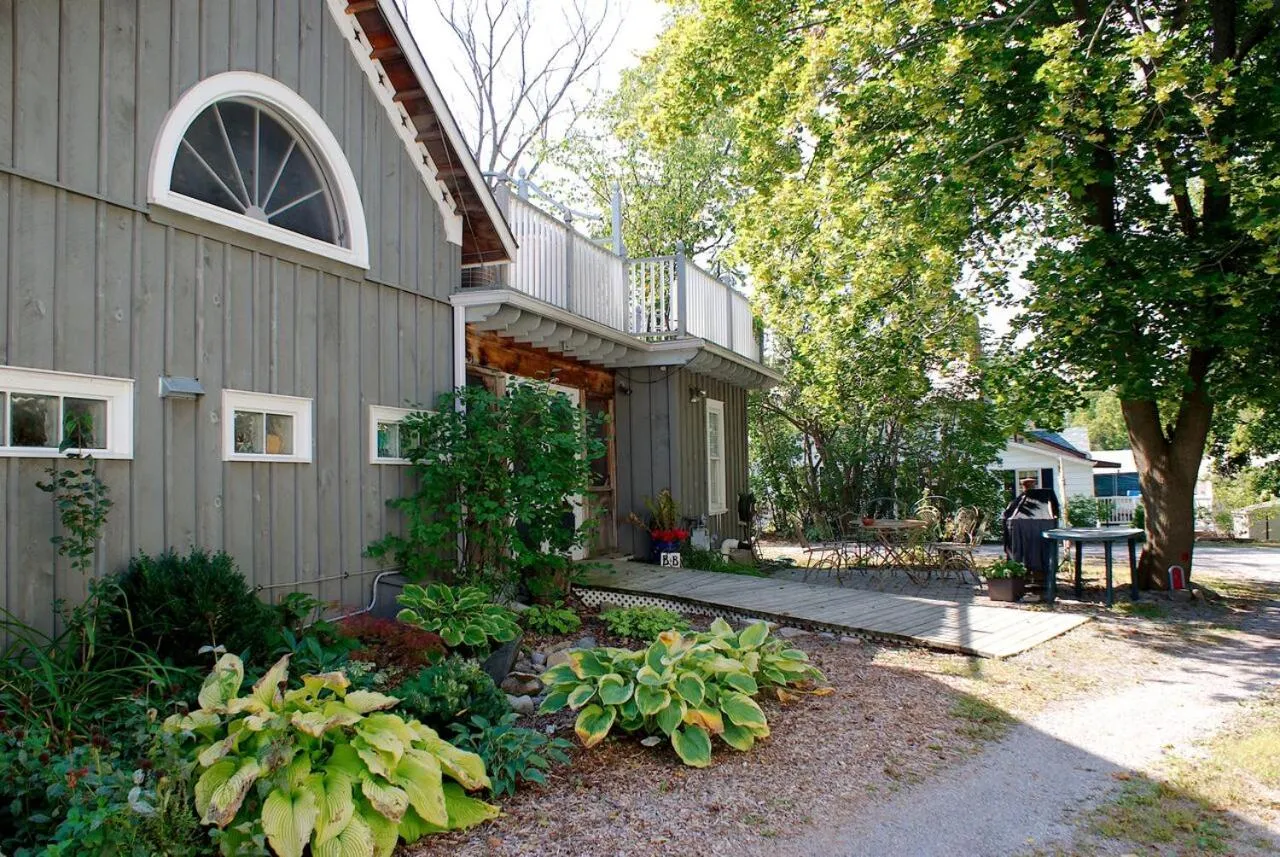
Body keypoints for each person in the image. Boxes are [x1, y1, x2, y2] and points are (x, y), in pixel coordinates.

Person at [1002, 477, 1061, 582]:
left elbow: (1006, 516)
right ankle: (1030, 573)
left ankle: (1032, 573)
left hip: (1022, 528)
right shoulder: (1019, 502)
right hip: (1035, 527)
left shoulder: (1043, 498)